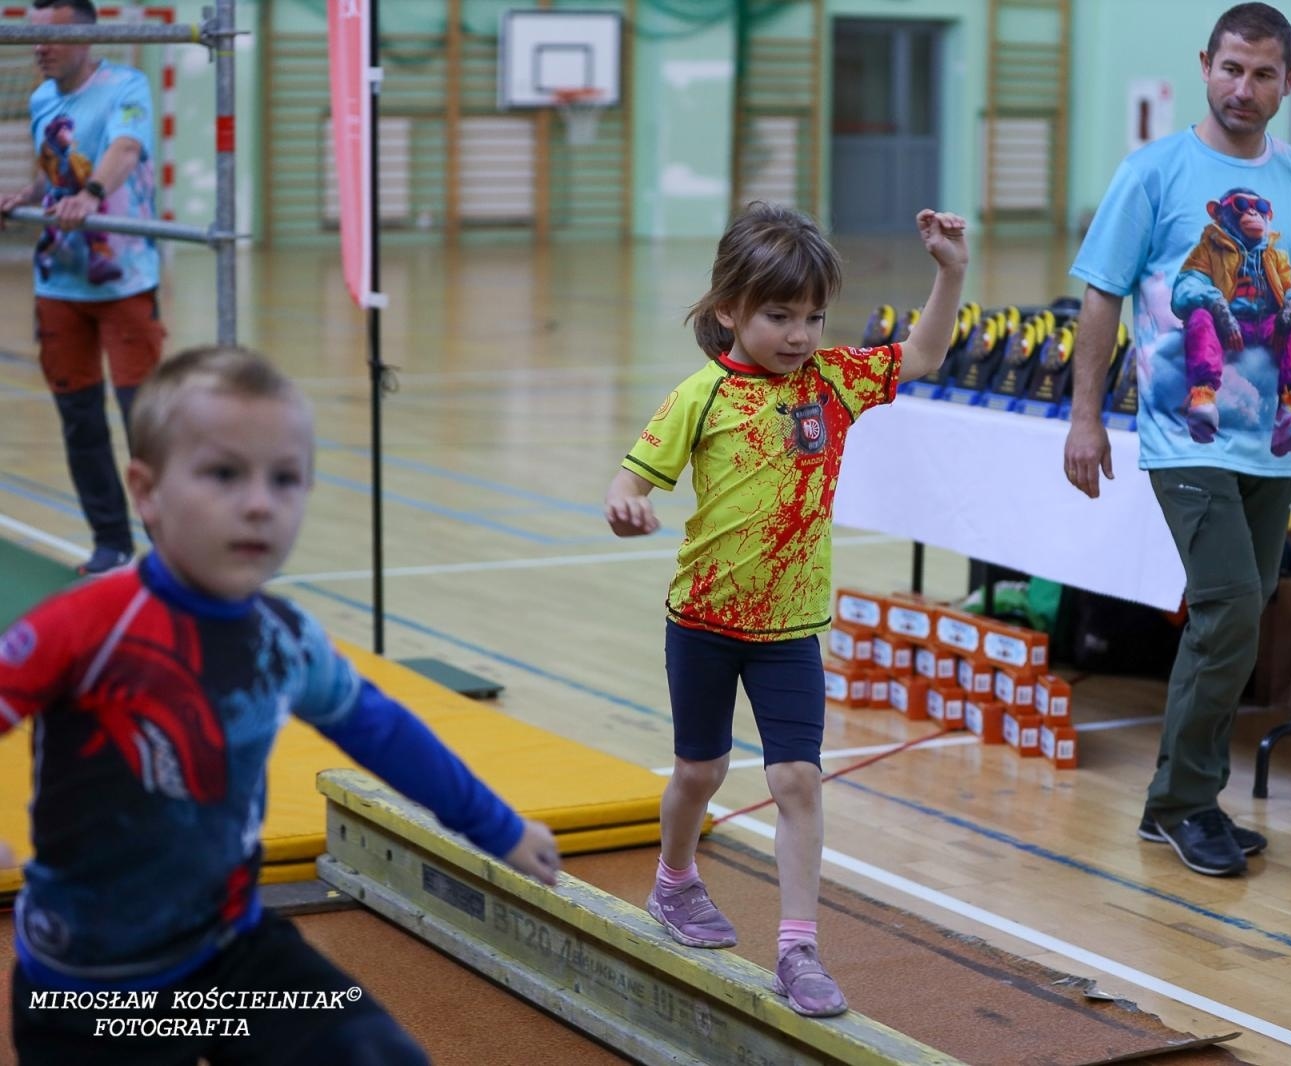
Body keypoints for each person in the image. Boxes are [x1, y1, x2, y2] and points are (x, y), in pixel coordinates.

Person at [0, 347, 563, 1064]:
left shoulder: (284, 639)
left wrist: (498, 826)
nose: (260, 503)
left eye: (285, 478)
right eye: (223, 474)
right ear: (147, 491)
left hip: (232, 960)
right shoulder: (86, 626)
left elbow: (380, 729)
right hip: (89, 994)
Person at [1062, 2, 1291, 878]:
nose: (1243, 88)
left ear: (1288, 82)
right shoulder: (1153, 172)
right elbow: (1100, 295)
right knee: (1230, 609)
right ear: (1205, 65)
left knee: (1236, 619)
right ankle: (1185, 803)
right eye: (1230, 69)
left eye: (1262, 74)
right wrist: (1086, 416)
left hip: (1275, 444)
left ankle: (1174, 802)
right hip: (1187, 436)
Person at [604, 202, 967, 1015]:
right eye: (779, 316)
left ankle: (798, 948)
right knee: (699, 771)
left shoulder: (833, 381)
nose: (800, 335)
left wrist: (950, 272)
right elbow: (629, 481)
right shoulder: (701, 396)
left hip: (790, 630)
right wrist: (626, 505)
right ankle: (674, 881)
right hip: (703, 622)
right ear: (728, 310)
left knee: (798, 778)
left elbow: (925, 354)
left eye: (813, 317)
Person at [0, 0, 165, 576]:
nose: (39, 48)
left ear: (85, 38)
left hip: (125, 283)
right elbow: (55, 169)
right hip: (59, 284)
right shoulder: (42, 99)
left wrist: (92, 195)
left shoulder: (126, 86)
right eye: (33, 37)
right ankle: (111, 543)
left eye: (51, 37)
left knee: (144, 420)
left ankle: (168, 549)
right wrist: (27, 195)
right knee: (80, 419)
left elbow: (124, 149)